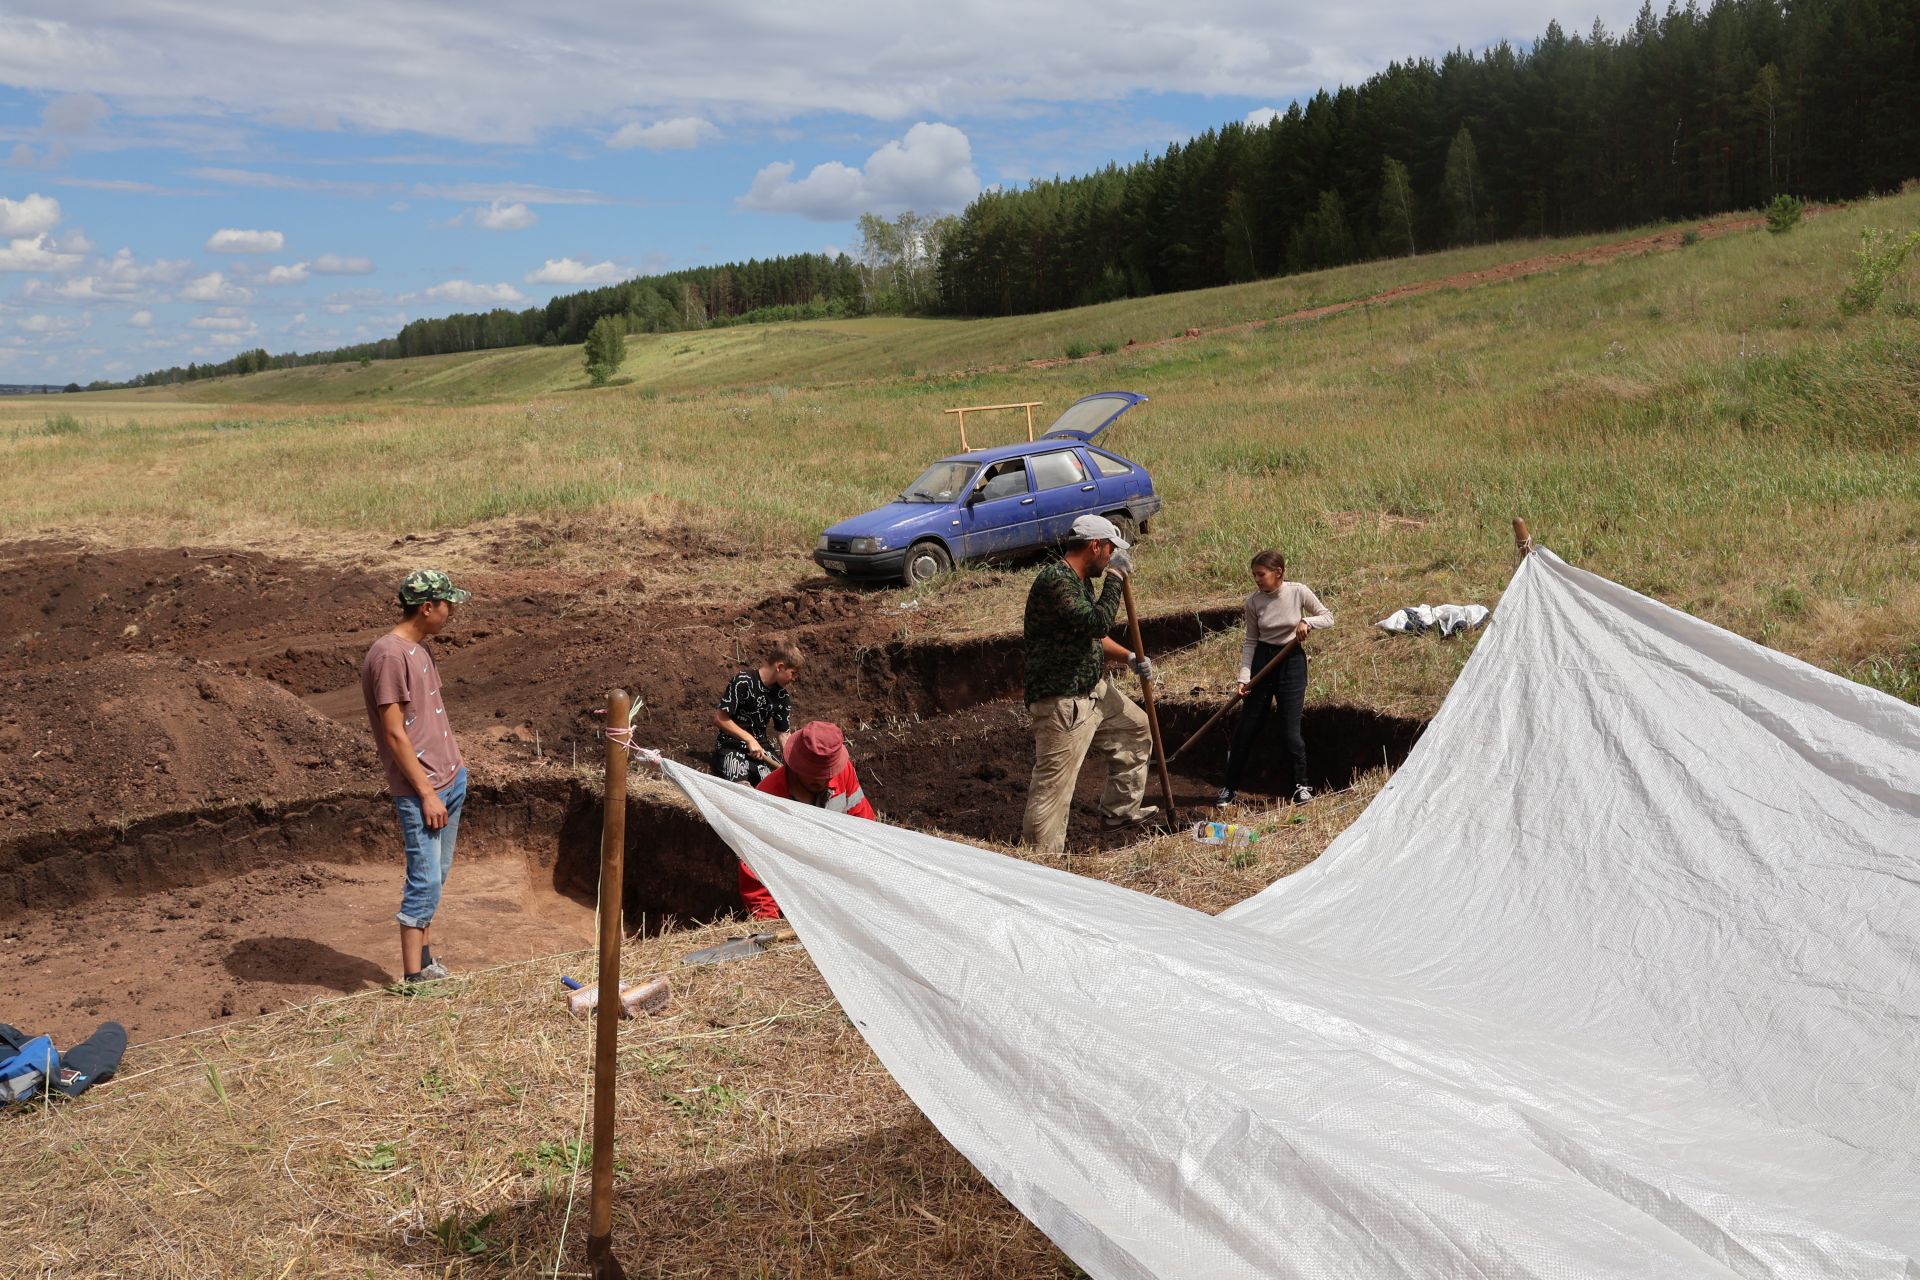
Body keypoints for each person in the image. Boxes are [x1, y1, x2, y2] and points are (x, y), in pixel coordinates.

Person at [1020, 514, 1159, 856]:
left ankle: (1119, 812)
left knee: (1136, 729)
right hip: (1063, 704)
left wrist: (1128, 656)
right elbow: (1096, 623)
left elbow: (1090, 638)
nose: (1112, 557)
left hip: (1093, 692)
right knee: (1052, 790)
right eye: (1110, 550)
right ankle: (1039, 861)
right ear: (1095, 545)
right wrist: (1114, 578)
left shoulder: (1078, 580)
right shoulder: (1056, 580)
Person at [360, 568, 471, 985]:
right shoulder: (389, 656)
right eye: (447, 606)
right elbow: (393, 732)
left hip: (449, 780)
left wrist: (455, 772)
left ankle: (425, 963)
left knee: (436, 879)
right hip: (423, 789)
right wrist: (426, 792)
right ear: (428, 607)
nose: (450, 613)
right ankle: (414, 981)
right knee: (424, 882)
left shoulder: (419, 650)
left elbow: (427, 715)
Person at [1218, 549, 1334, 808]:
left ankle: (1301, 786)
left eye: (1261, 574)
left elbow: (1328, 617)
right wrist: (1243, 678)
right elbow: (1250, 642)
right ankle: (1230, 787)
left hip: (1291, 661)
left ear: (1278, 573)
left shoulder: (1298, 591)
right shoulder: (1253, 603)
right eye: (1254, 575)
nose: (1257, 580)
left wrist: (1307, 622)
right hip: (1263, 663)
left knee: (1290, 730)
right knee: (1246, 729)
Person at [738, 721, 875, 919]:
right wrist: (769, 923)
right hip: (797, 897)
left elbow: (866, 828)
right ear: (797, 766)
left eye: (829, 774)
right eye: (816, 776)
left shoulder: (843, 771)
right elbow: (755, 872)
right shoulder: (767, 800)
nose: (826, 781)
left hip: (842, 885)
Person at [712, 640, 801, 785]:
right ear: (780, 667)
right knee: (742, 789)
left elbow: (784, 734)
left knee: (782, 787)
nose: (794, 678)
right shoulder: (743, 681)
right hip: (732, 746)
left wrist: (793, 768)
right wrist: (749, 739)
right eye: (793, 673)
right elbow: (719, 719)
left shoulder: (782, 696)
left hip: (762, 749)